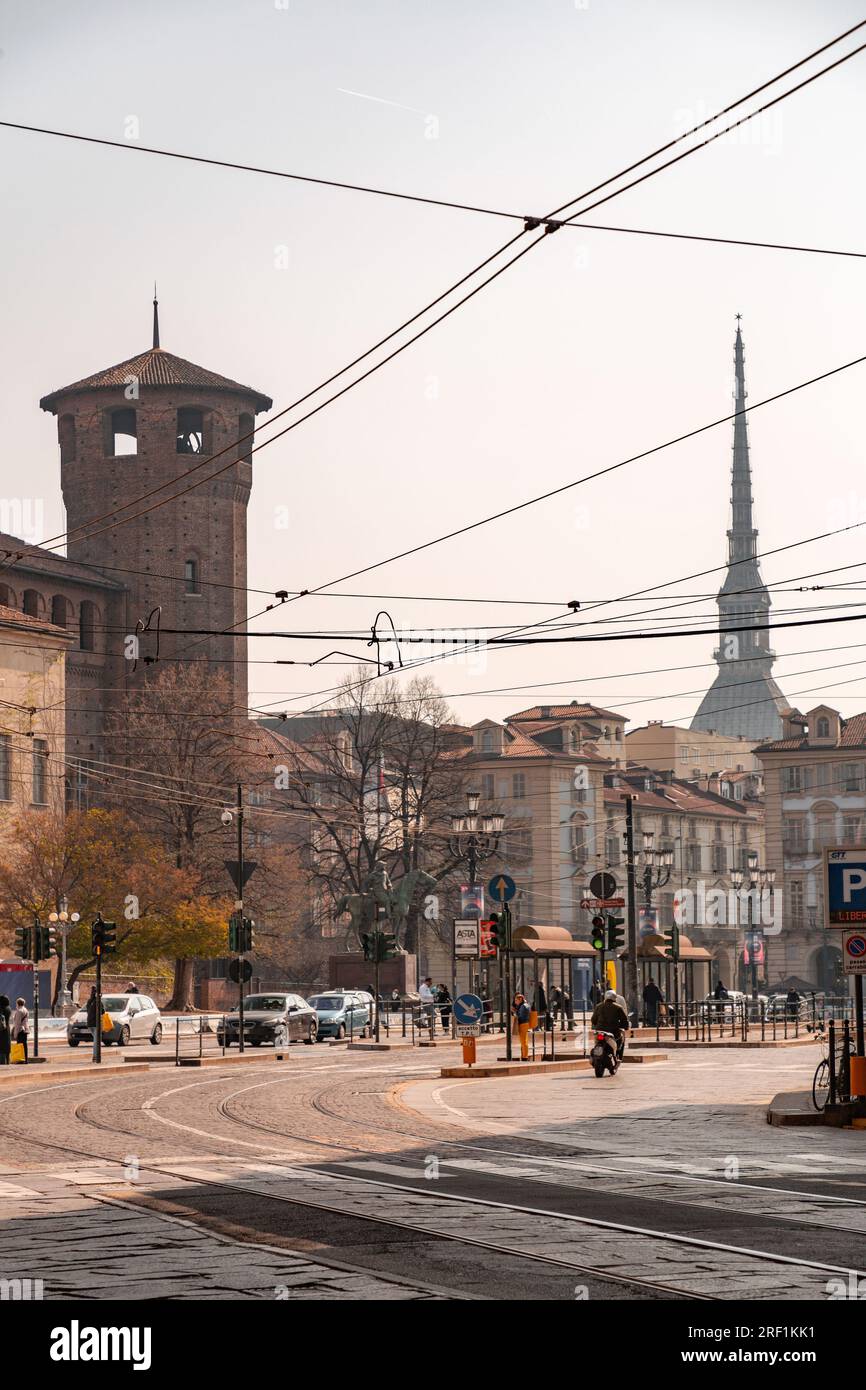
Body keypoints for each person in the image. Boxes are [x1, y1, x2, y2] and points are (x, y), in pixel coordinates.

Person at [590, 988, 630, 1059]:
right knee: (621, 1041)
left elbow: (593, 1019)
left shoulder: (598, 1006)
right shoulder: (618, 1007)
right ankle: (618, 1056)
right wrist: (625, 1027)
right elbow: (624, 1020)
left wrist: (597, 1025)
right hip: (613, 1031)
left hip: (600, 1031)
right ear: (614, 997)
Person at [512, 992, 531, 1060]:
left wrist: (515, 1013)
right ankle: (524, 1055)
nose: (515, 1002)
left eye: (516, 1000)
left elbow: (521, 1016)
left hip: (523, 1024)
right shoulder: (524, 1005)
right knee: (523, 1041)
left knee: (523, 1041)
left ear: (520, 999)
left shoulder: (523, 1006)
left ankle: (525, 1056)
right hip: (524, 1024)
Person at [10, 997, 29, 1063]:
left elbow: (17, 1024)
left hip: (20, 1030)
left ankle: (20, 1060)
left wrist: (15, 1034)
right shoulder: (26, 1010)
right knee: (24, 1046)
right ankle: (25, 1059)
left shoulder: (19, 1011)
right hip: (25, 1030)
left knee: (19, 1045)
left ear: (18, 1003)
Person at [0, 995, 11, 1066]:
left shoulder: (1, 1008)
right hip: (7, 1028)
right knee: (7, 1046)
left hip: (1, 1029)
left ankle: (3, 1063)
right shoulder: (9, 1008)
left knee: (1, 1047)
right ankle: (7, 1062)